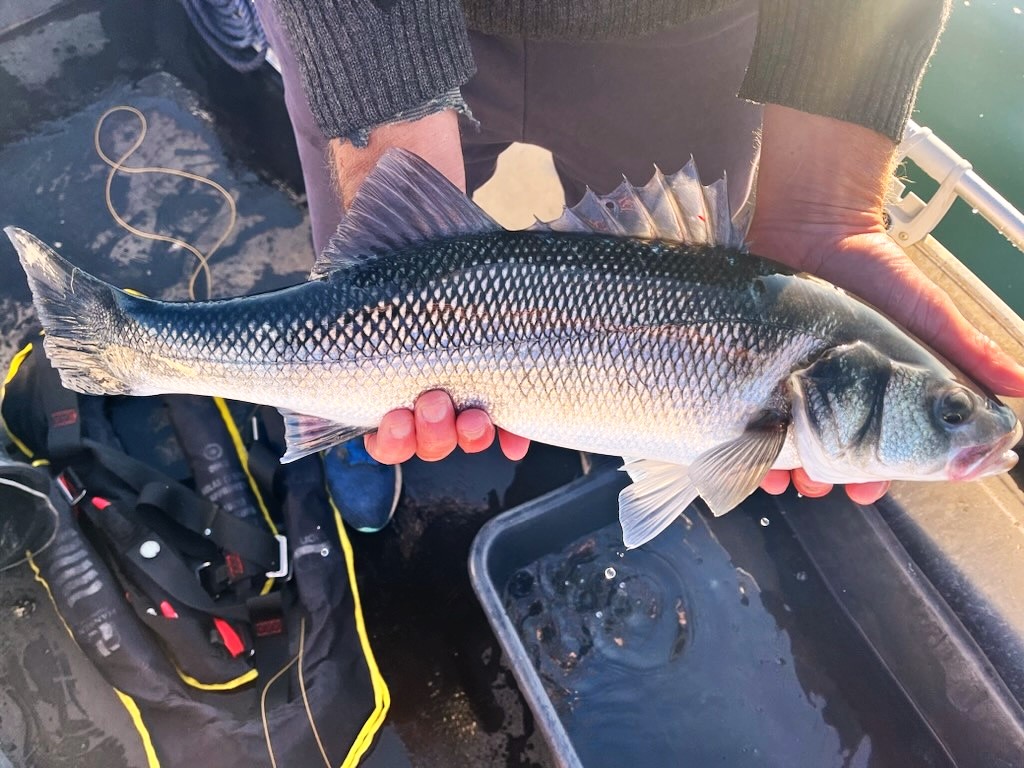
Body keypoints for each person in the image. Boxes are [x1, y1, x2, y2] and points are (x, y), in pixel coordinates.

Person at [254, 0, 1024, 525]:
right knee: (380, 289)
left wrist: (824, 205)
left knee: (681, 226)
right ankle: (343, 418)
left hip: (684, 29)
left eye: (946, 409)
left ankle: (346, 404)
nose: (962, 426)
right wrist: (384, 118)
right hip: (373, 26)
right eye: (947, 410)